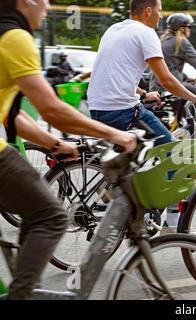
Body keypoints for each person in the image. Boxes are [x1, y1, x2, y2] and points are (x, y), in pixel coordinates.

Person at [0, 0, 136, 300]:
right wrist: (116, 134)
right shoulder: (15, 37)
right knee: (51, 216)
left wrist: (56, 144)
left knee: (34, 211)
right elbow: (50, 110)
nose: (48, 5)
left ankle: (24, 288)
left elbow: (12, 115)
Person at [88, 1, 196, 149]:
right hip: (122, 111)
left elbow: (114, 76)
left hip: (97, 109)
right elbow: (166, 80)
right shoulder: (146, 32)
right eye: (159, 10)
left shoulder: (113, 29)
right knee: (172, 154)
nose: (161, 16)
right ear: (148, 11)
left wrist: (143, 94)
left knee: (133, 160)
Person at [149, 12, 196, 94]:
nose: (189, 29)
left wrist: (185, 77)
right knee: (194, 91)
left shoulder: (163, 40)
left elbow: (169, 66)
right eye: (189, 26)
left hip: (155, 85)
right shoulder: (180, 42)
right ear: (182, 28)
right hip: (169, 86)